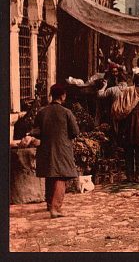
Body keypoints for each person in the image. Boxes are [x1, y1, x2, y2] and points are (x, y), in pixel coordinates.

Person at [31, 84, 80, 218]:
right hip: (62, 148)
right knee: (61, 177)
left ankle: (49, 204)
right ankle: (55, 208)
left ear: (51, 95)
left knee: (50, 174)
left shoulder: (42, 112)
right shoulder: (66, 112)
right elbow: (75, 132)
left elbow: (36, 131)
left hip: (46, 148)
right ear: (63, 96)